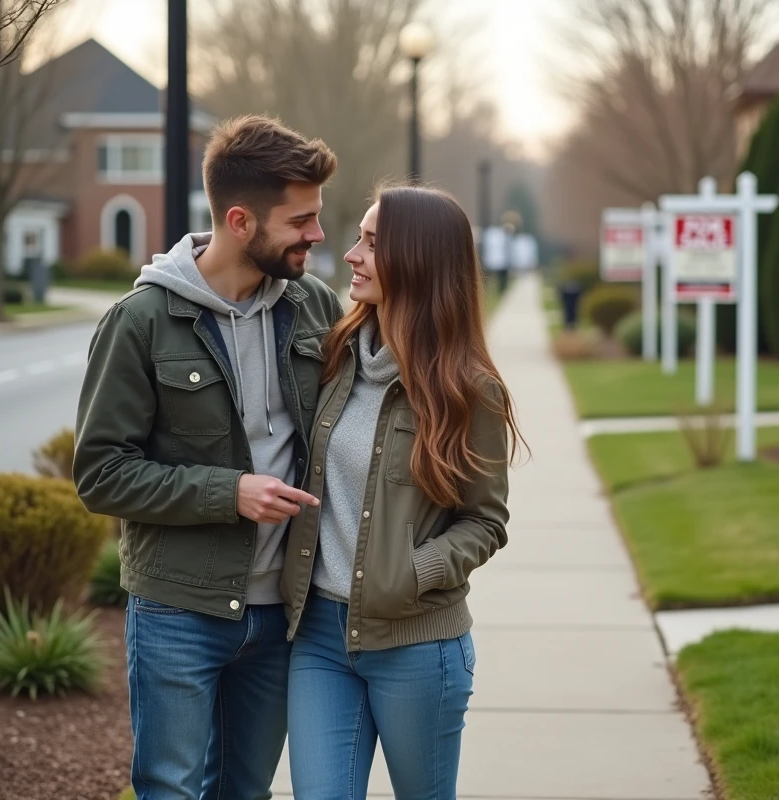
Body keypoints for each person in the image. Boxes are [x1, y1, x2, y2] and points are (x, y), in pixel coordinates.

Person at [72, 115, 341, 800]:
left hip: (283, 611)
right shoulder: (140, 322)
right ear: (242, 221)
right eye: (302, 220)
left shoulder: (314, 306)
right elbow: (100, 472)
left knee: (244, 792)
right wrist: (231, 492)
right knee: (170, 789)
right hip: (177, 612)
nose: (317, 234)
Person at [280, 185, 525, 799]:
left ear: (417, 260)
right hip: (319, 640)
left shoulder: (469, 391)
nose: (353, 255)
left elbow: (486, 521)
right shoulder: (335, 356)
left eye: (371, 243)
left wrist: (411, 572)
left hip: (419, 649)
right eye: (358, 238)